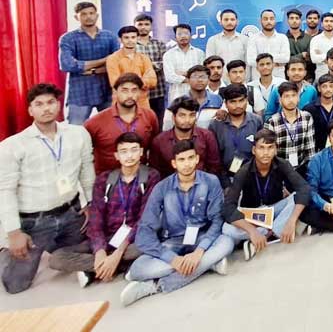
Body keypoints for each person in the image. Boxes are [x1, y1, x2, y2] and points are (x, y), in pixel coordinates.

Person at [0, 84, 95, 294]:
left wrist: (90, 203)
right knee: (15, 285)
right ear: (30, 110)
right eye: (39, 104)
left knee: (97, 246)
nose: (46, 108)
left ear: (59, 105)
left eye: (51, 102)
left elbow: (87, 172)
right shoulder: (13, 146)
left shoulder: (78, 134)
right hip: (35, 222)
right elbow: (5, 191)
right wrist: (14, 233)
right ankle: (5, 253)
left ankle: (57, 250)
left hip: (71, 214)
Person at [120, 140, 233, 306]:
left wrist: (199, 252)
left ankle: (155, 285)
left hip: (201, 237)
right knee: (137, 269)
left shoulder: (211, 181)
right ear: (174, 163)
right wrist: (172, 259)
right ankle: (208, 265)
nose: (187, 164)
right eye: (181, 160)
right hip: (173, 242)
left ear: (197, 159)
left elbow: (217, 220)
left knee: (226, 242)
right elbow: (145, 230)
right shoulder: (162, 188)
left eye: (190, 158)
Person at [49, 132, 161, 286]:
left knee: (145, 247)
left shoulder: (151, 176)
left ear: (141, 152)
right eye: (124, 151)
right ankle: (111, 267)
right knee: (56, 258)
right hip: (107, 237)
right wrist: (100, 251)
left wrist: (119, 252)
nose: (129, 156)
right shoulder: (104, 179)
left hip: (132, 239)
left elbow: (144, 220)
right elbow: (96, 219)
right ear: (116, 155)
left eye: (134, 150)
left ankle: (97, 269)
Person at [221, 129, 309, 260]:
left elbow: (304, 188)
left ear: (276, 150)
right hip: (252, 214)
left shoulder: (282, 164)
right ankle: (271, 232)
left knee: (296, 197)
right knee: (226, 229)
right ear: (254, 150)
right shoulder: (243, 171)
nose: (266, 153)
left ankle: (268, 233)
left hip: (274, 209)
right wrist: (252, 230)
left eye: (270, 148)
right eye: (261, 148)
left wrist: (291, 220)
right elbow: (228, 207)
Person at [84, 73, 158, 174]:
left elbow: (153, 148)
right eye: (124, 90)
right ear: (115, 92)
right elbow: (84, 153)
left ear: (140, 92)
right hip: (106, 179)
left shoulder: (149, 116)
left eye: (134, 90)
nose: (130, 95)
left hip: (140, 177)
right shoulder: (95, 122)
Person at [59, 1, 118, 124]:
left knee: (111, 127)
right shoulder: (68, 38)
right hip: (80, 92)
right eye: (84, 14)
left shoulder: (110, 37)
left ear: (97, 15)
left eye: (91, 13)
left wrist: (91, 70)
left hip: (106, 89)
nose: (88, 16)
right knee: (75, 129)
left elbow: (117, 62)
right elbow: (67, 65)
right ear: (76, 17)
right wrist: (104, 60)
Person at [149, 97, 221, 178]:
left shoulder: (207, 136)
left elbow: (214, 167)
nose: (187, 120)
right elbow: (155, 172)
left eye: (192, 115)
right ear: (173, 117)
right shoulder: (159, 141)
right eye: (182, 115)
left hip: (202, 183)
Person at [209, 84, 261, 187]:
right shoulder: (216, 125)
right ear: (226, 103)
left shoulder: (256, 121)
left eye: (241, 100)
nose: (238, 105)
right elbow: (214, 157)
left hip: (252, 177)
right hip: (224, 179)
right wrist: (225, 183)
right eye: (233, 102)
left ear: (246, 100)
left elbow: (261, 152)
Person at [264, 83, 316, 173]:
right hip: (279, 170)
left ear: (298, 98)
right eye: (286, 96)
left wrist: (310, 172)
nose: (291, 100)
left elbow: (310, 149)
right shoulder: (272, 122)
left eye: (293, 95)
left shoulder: (307, 117)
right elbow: (269, 152)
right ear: (280, 100)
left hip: (301, 168)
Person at [134, 13, 168, 130]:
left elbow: (164, 64)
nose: (143, 27)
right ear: (135, 26)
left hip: (158, 91)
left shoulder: (159, 44)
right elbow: (131, 66)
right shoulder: (131, 45)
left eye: (146, 24)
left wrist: (144, 66)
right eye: (140, 24)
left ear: (151, 26)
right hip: (138, 92)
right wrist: (152, 66)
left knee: (158, 123)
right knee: (141, 124)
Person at [169, 64, 223, 130]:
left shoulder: (217, 99)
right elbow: (170, 126)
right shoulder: (179, 101)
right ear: (188, 80)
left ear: (209, 80)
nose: (199, 80)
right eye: (195, 77)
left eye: (203, 77)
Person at [162, 23, 205, 104]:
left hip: (196, 95)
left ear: (191, 36)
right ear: (175, 37)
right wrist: (191, 78)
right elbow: (169, 77)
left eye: (186, 33)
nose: (183, 36)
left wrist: (182, 73)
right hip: (177, 96)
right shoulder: (168, 55)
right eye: (179, 34)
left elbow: (202, 74)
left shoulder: (199, 53)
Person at [205, 9, 247, 83]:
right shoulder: (213, 40)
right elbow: (209, 64)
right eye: (226, 20)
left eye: (232, 19)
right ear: (220, 22)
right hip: (220, 83)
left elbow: (248, 64)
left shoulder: (245, 40)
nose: (229, 22)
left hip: (241, 82)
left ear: (237, 21)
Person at [305, 74, 333, 151]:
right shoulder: (309, 109)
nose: (328, 89)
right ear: (319, 88)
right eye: (324, 86)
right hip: (317, 149)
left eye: (331, 86)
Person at [247, 9, 290, 73]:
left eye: (271, 19)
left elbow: (285, 58)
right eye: (265, 19)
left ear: (275, 21)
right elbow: (251, 60)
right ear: (260, 21)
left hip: (278, 77)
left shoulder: (283, 38)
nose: (269, 21)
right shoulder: (253, 38)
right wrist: (276, 63)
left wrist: (261, 59)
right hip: (258, 77)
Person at [310, 12, 333, 80]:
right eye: (326, 21)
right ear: (321, 24)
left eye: (331, 21)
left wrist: (322, 56)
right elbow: (314, 59)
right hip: (321, 76)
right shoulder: (315, 39)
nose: (329, 23)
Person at [246, 52, 285, 117]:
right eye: (262, 64)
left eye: (268, 64)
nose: (265, 67)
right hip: (257, 120)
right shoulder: (250, 86)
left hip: (279, 120)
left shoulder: (282, 83)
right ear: (257, 68)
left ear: (273, 65)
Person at [286, 8, 313, 79]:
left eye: (297, 18)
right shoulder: (283, 39)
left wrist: (291, 57)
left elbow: (310, 59)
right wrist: (301, 55)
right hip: (288, 77)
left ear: (300, 21)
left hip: (307, 77)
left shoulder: (309, 38)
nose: (294, 21)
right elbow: (284, 60)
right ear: (288, 21)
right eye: (291, 18)